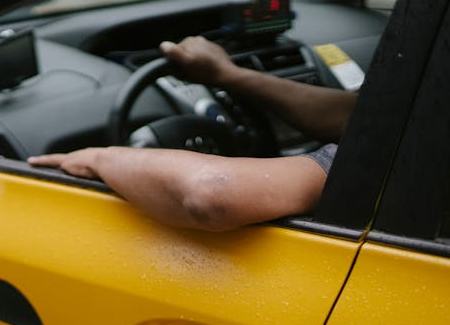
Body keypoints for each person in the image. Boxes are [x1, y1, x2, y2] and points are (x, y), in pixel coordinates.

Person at [28, 36, 358, 232]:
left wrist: (101, 157)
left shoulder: (400, 155)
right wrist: (229, 75)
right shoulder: (405, 124)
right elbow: (356, 115)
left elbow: (215, 194)